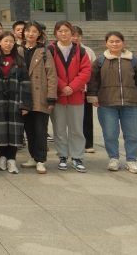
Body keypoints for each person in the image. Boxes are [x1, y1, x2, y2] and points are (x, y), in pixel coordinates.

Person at [88, 31, 137, 174]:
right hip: (107, 103)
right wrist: (93, 96)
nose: (114, 44)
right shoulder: (100, 60)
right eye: (111, 41)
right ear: (106, 43)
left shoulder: (132, 60)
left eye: (117, 41)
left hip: (130, 103)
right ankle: (113, 158)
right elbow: (92, 80)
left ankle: (131, 160)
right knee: (110, 133)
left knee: (132, 134)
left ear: (123, 43)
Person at [49, 21, 91, 173]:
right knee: (59, 128)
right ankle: (62, 156)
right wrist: (62, 86)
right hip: (58, 95)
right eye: (60, 31)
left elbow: (86, 72)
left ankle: (77, 157)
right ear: (56, 33)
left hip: (76, 96)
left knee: (76, 128)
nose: (63, 33)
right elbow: (50, 71)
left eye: (66, 30)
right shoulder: (50, 50)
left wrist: (72, 87)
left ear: (71, 32)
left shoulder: (81, 51)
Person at [0, 31, 32, 174]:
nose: (8, 44)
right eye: (6, 41)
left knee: (14, 130)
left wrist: (25, 104)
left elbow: (26, 83)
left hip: (15, 99)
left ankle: (12, 160)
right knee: (1, 129)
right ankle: (2, 159)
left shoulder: (19, 60)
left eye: (11, 41)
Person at [19, 21, 57, 174]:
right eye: (28, 31)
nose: (31, 34)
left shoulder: (44, 51)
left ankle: (41, 160)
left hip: (40, 95)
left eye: (34, 31)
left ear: (39, 34)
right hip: (23, 96)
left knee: (40, 129)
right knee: (29, 130)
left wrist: (51, 97)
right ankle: (33, 157)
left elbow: (51, 75)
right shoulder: (18, 50)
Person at [72, 26, 97, 154]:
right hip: (69, 89)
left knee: (86, 117)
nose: (76, 38)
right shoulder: (64, 50)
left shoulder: (88, 51)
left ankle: (88, 144)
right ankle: (72, 143)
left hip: (85, 89)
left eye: (78, 35)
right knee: (71, 118)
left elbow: (93, 72)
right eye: (73, 35)